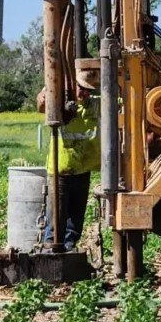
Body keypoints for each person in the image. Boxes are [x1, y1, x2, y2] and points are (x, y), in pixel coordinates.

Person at [37, 71, 101, 252]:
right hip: (60, 171)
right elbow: (41, 104)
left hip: (82, 170)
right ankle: (51, 249)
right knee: (56, 216)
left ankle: (70, 249)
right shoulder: (58, 104)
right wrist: (53, 91)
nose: (85, 94)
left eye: (89, 90)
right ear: (73, 86)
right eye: (82, 89)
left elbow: (122, 101)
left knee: (75, 218)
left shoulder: (94, 105)